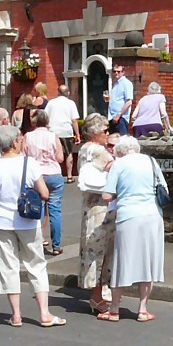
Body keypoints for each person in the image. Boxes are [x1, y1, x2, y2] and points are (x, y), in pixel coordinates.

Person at [0, 125, 66, 327]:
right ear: (13, 143)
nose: (21, 142)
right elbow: (45, 193)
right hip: (28, 222)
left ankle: (16, 315)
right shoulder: (30, 164)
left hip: (2, 222)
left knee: (8, 267)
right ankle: (45, 314)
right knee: (36, 265)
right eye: (19, 140)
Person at [100, 136, 167, 322]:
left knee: (123, 262)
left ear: (120, 151)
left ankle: (114, 310)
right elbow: (164, 188)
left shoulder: (118, 165)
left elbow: (106, 195)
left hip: (129, 216)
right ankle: (143, 310)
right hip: (153, 215)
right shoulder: (151, 161)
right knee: (148, 263)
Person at [77, 113, 116, 313]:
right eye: (104, 131)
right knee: (101, 249)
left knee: (92, 248)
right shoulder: (98, 150)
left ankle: (97, 292)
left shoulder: (84, 149)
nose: (107, 134)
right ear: (95, 133)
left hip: (89, 206)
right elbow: (114, 167)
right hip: (102, 205)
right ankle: (98, 295)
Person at [23, 109, 65, 255]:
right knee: (55, 210)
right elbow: (60, 158)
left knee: (37, 209)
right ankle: (56, 246)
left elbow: (24, 156)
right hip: (53, 173)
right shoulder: (53, 136)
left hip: (36, 175)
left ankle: (38, 242)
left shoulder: (27, 136)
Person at [45, 85, 81, 182]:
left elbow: (45, 117)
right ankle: (69, 176)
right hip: (66, 131)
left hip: (53, 131)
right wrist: (77, 134)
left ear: (58, 92)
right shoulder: (70, 103)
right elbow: (74, 120)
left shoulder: (51, 103)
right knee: (68, 153)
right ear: (68, 93)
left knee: (53, 153)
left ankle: (56, 174)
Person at [108, 65, 134, 135]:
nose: (116, 73)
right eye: (114, 71)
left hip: (121, 118)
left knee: (122, 142)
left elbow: (129, 102)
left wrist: (119, 115)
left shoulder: (126, 83)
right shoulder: (115, 84)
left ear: (123, 72)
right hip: (112, 117)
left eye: (118, 71)